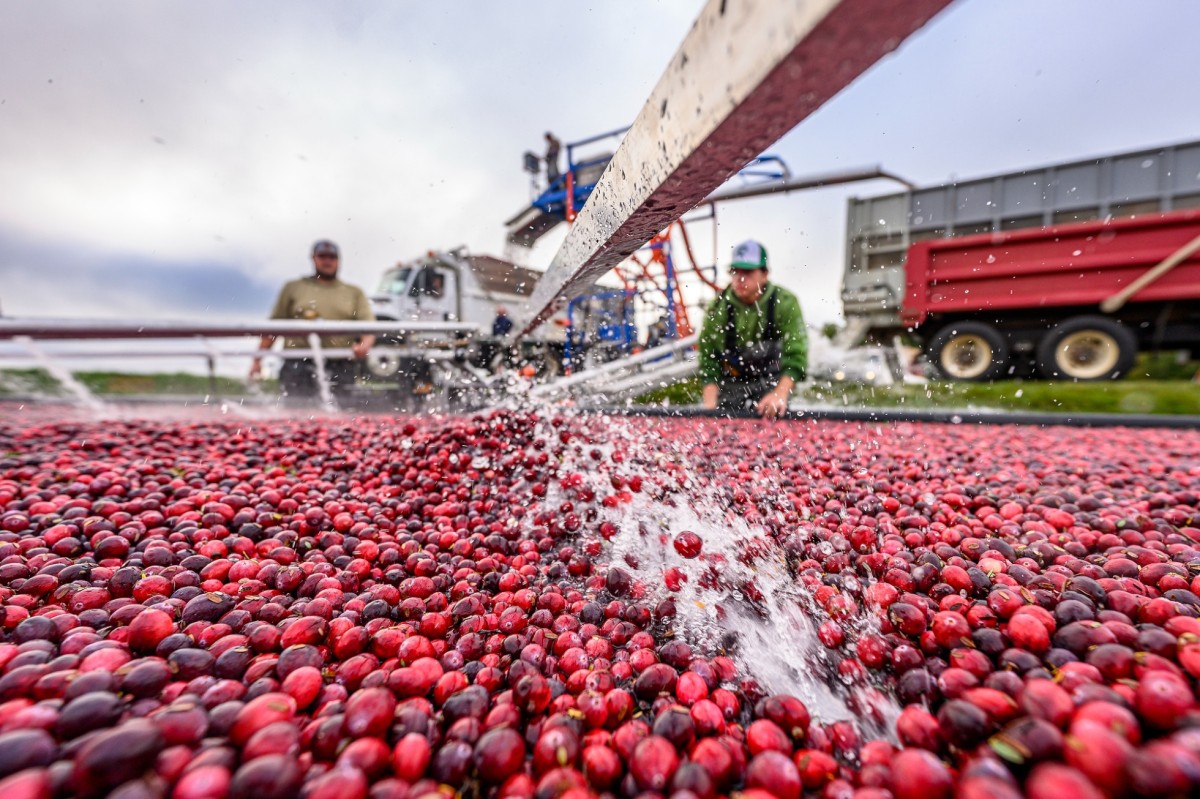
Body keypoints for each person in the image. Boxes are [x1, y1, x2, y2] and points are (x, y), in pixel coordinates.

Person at [251, 240, 376, 404]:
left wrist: (364, 345)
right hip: (298, 363)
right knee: (296, 414)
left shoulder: (354, 292)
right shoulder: (294, 288)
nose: (327, 261)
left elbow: (369, 326)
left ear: (338, 260)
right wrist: (257, 361)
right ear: (313, 258)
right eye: (322, 256)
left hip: (340, 364)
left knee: (342, 416)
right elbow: (274, 327)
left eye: (332, 257)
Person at [698, 240, 807, 418]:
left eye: (747, 272)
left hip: (772, 384)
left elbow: (796, 356)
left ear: (765, 274)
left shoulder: (785, 302)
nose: (740, 278)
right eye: (735, 272)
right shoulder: (716, 308)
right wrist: (710, 407)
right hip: (731, 384)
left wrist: (779, 394)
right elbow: (709, 361)